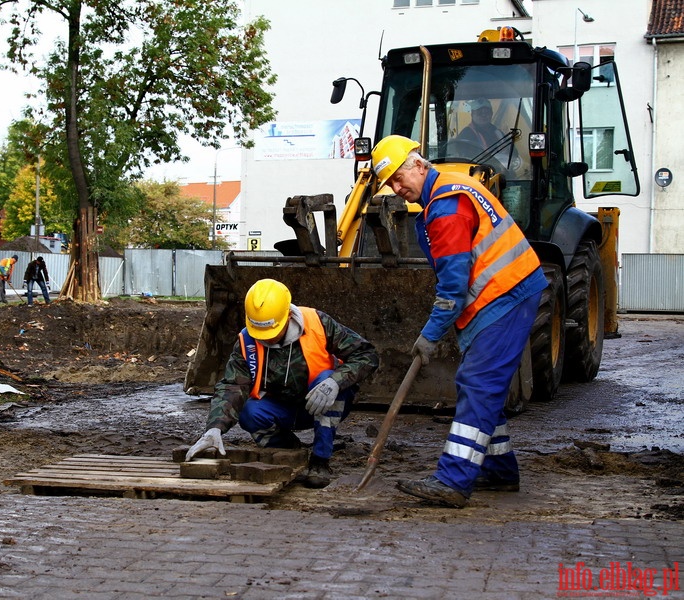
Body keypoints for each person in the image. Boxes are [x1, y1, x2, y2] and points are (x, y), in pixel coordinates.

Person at [370, 135, 547, 508]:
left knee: (479, 382)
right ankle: (498, 471)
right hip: (504, 291)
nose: (399, 190)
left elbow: (453, 287)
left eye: (400, 180)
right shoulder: (451, 187)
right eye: (391, 186)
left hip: (506, 293)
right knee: (481, 386)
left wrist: (430, 334)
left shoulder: (447, 206)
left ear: (419, 165)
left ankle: (453, 479)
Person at [184, 278, 379, 488]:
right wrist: (214, 428)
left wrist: (336, 381)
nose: (265, 339)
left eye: (270, 333)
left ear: (288, 315)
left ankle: (320, 460)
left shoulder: (317, 323)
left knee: (325, 380)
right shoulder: (247, 340)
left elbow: (367, 355)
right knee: (250, 412)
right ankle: (289, 451)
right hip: (280, 408)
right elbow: (232, 385)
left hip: (322, 401)